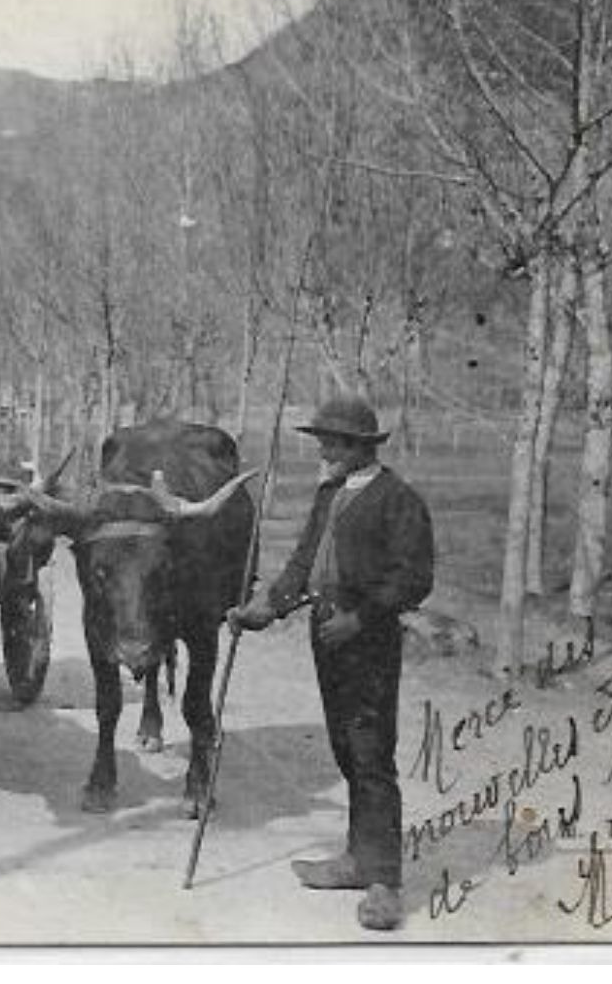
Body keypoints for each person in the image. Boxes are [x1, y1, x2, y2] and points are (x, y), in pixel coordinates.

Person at [227, 395, 434, 932]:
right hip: (326, 633)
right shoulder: (330, 494)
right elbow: (303, 561)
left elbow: (413, 578)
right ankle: (357, 859)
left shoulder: (398, 499)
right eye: (321, 440)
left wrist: (361, 618)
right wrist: (265, 608)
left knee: (370, 752)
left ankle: (385, 883)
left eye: (330, 442)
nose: (321, 449)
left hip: (368, 640)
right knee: (345, 749)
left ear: (358, 447)